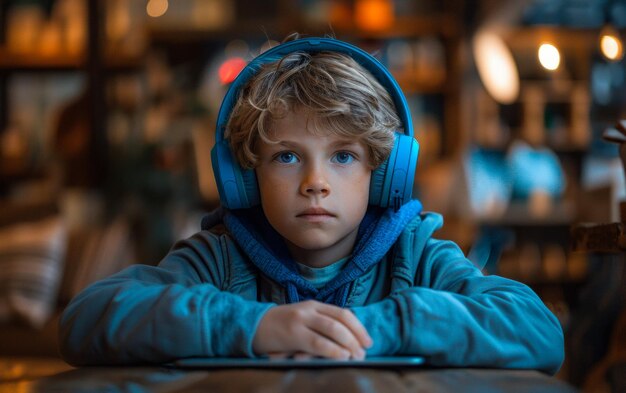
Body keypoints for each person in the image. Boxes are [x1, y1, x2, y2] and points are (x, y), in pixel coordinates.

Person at [59, 35, 564, 374]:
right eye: (285, 157)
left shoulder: (417, 256)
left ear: (384, 173)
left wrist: (378, 329)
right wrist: (251, 327)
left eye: (343, 155)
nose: (315, 182)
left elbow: (538, 330)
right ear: (244, 176)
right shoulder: (218, 256)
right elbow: (87, 318)